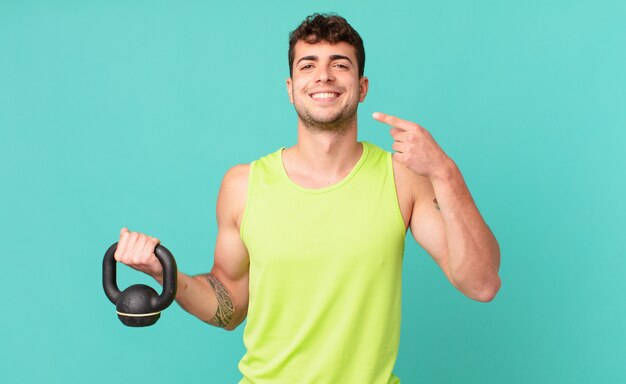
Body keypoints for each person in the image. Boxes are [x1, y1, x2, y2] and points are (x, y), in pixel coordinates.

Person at [114, 13, 501, 384]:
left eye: (340, 64)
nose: (324, 76)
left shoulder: (403, 179)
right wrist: (167, 277)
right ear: (290, 87)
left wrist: (445, 172)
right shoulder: (243, 185)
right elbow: (228, 305)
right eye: (308, 64)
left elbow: (481, 283)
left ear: (362, 87)